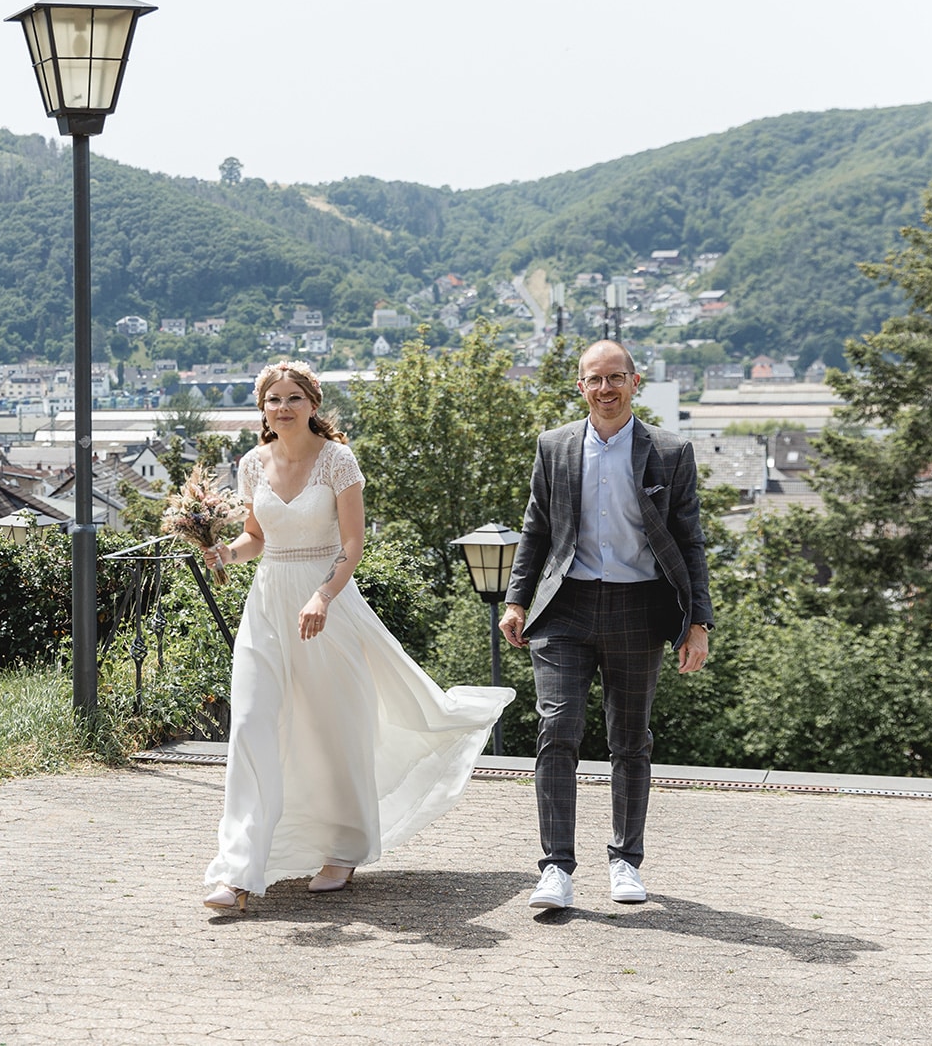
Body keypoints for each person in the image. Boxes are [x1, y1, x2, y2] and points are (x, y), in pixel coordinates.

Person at [200, 361, 514, 913]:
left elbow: (351, 543)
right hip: (268, 606)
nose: (283, 407)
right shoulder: (251, 464)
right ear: (263, 409)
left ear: (313, 405)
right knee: (250, 726)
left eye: (294, 397)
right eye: (273, 399)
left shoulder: (337, 461)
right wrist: (225, 553)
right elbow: (256, 538)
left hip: (328, 605)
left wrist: (322, 596)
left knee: (331, 729)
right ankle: (239, 869)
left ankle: (342, 850)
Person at [498, 339, 712, 910]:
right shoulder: (555, 447)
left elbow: (690, 543)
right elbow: (536, 530)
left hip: (640, 609)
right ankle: (555, 870)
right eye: (594, 380)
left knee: (630, 741)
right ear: (581, 387)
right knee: (557, 730)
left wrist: (698, 623)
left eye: (616, 378)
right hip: (564, 608)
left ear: (634, 383)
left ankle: (624, 862)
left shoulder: (670, 452)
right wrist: (517, 600)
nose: (605, 389)